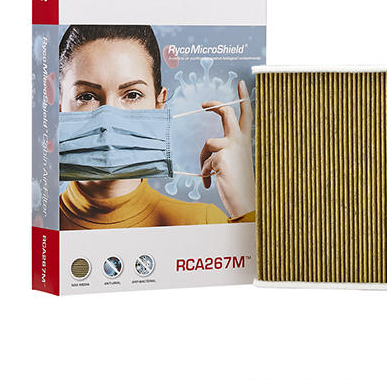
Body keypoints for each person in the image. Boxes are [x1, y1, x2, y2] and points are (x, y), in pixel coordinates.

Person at [57, 24, 255, 229]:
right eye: (86, 96)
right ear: (60, 107)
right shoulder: (41, 226)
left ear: (159, 104)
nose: (109, 121)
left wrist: (245, 204)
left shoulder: (201, 222)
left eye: (132, 95)